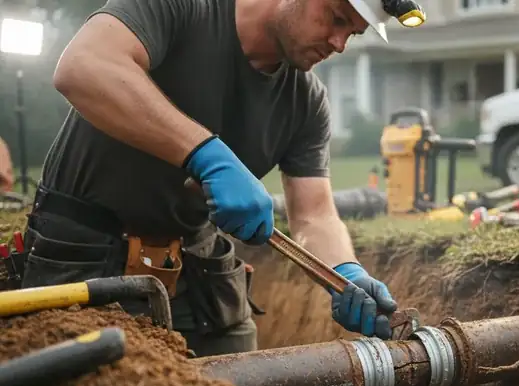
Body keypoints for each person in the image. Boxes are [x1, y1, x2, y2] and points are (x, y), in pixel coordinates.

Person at [22, 0, 426, 357]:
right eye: (337, 18)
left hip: (194, 274)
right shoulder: (183, 8)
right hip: (80, 258)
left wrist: (346, 271)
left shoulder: (307, 102)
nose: (339, 43)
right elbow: (83, 66)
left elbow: (314, 215)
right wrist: (204, 153)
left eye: (352, 34)